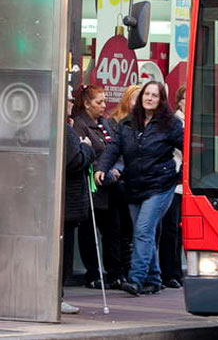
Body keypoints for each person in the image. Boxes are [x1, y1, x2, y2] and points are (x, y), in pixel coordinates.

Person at [95, 81, 183, 296]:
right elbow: (114, 148)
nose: (150, 98)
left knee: (143, 230)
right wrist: (102, 168)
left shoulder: (170, 124)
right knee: (144, 232)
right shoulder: (127, 123)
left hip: (161, 184)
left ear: (161, 100)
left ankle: (136, 279)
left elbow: (189, 149)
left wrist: (180, 176)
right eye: (147, 94)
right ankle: (154, 279)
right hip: (134, 185)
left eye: (155, 95)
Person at [72, 84, 126, 290]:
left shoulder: (106, 123)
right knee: (89, 233)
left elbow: (117, 148)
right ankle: (93, 273)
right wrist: (100, 171)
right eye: (99, 102)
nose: (104, 105)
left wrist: (117, 169)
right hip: (92, 188)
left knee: (113, 232)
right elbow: (85, 153)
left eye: (104, 101)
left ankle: (115, 273)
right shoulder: (80, 125)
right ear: (87, 104)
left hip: (112, 187)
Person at [62, 94, 95, 314]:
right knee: (63, 251)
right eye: (69, 99)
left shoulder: (67, 126)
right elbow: (75, 161)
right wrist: (87, 147)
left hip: (66, 202)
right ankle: (57, 296)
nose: (72, 102)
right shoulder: (66, 129)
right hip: (67, 202)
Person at [107, 84, 141, 280]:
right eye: (135, 98)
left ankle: (129, 270)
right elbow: (114, 150)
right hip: (118, 181)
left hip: (134, 181)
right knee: (116, 229)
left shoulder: (145, 124)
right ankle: (117, 271)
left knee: (131, 229)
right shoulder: (116, 122)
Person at [158, 85, 185, 288]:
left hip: (185, 184)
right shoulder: (176, 122)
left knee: (180, 231)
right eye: (183, 98)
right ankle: (170, 272)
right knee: (171, 229)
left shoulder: (189, 121)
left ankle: (176, 271)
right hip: (173, 181)